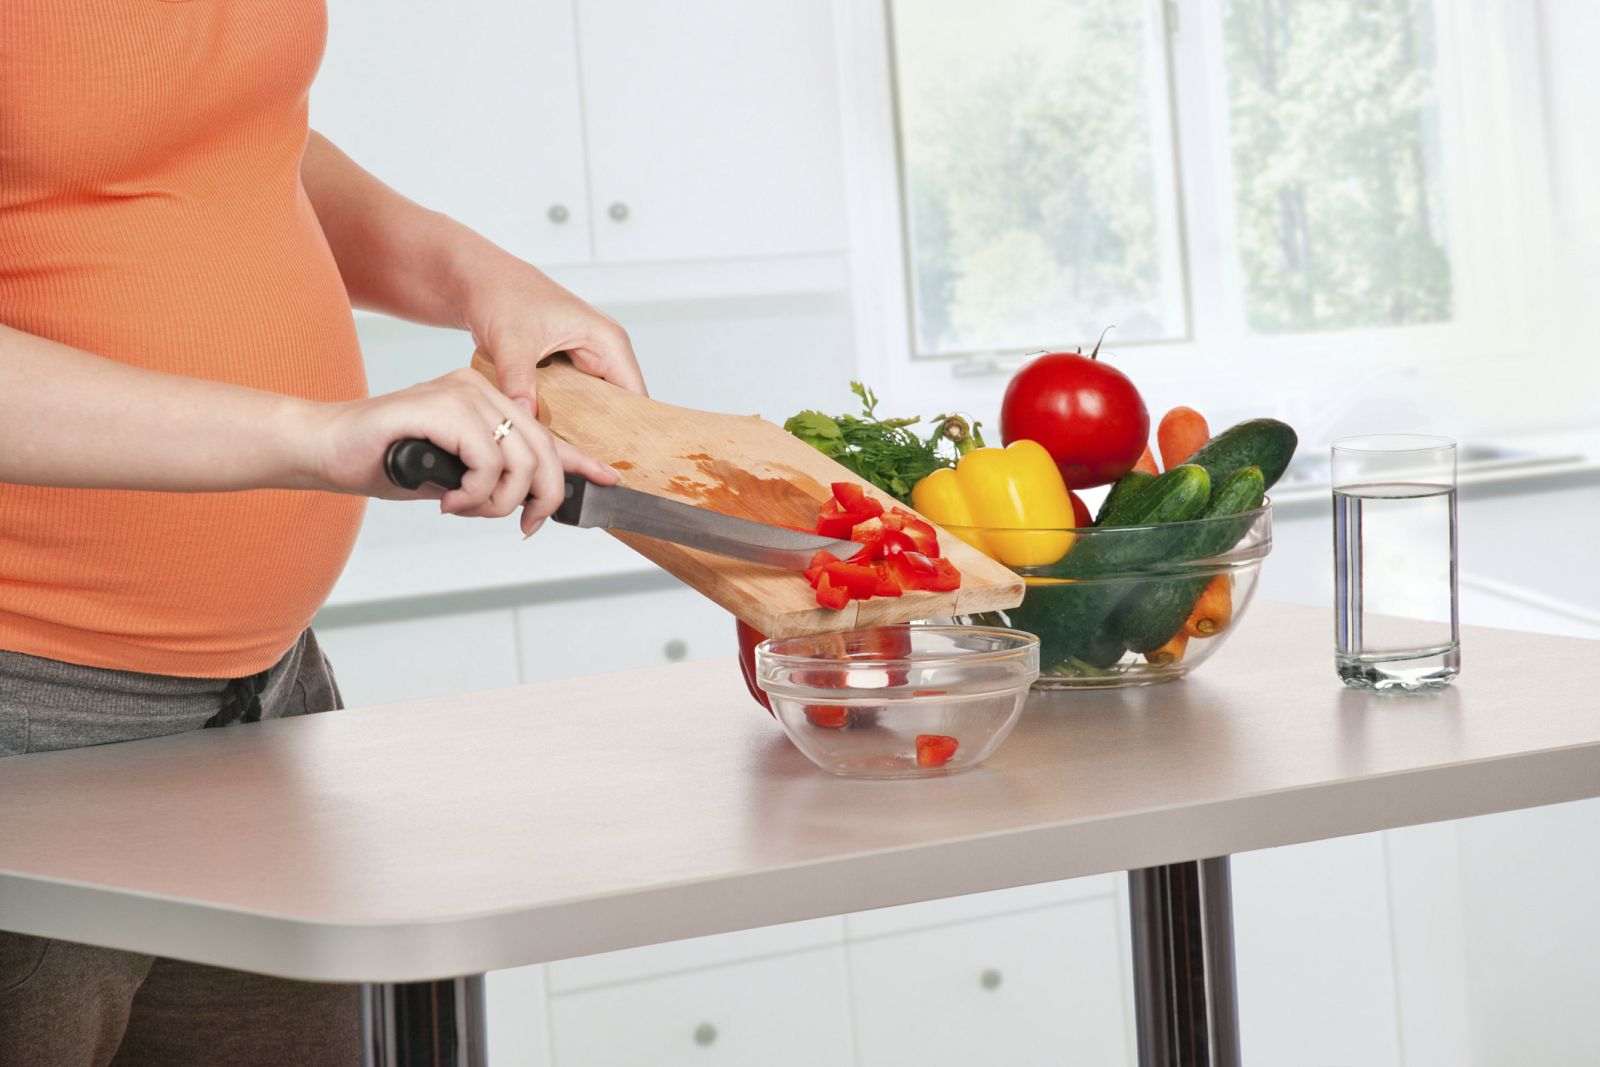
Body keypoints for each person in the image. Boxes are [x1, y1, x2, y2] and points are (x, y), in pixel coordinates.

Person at [0, 3, 643, 1063]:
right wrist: (318, 434)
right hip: (31, 735)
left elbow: (229, 130)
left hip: (265, 712)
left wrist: (475, 277)